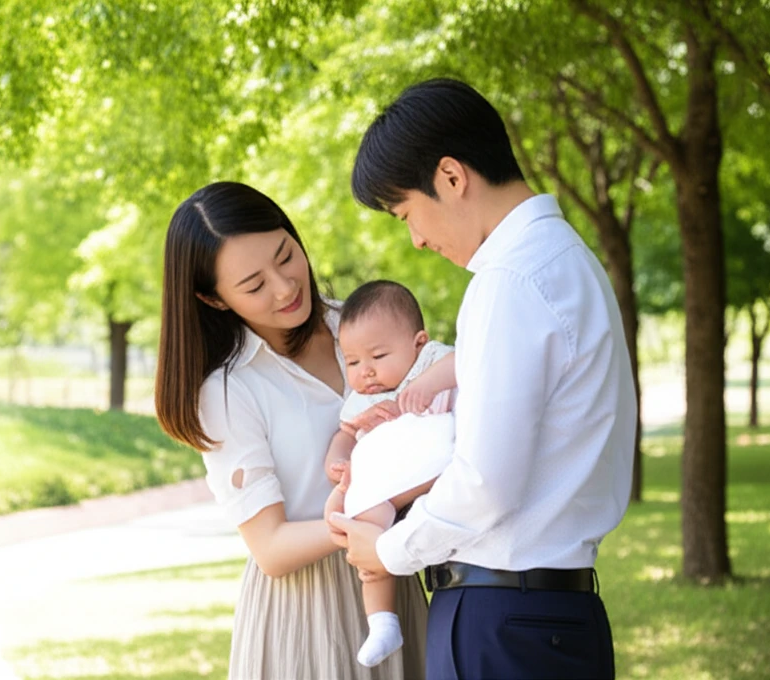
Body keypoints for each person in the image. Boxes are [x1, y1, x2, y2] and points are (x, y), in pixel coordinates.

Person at [327, 78, 637, 680]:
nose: (416, 239)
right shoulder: (568, 260)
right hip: (550, 613)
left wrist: (385, 551)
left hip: (501, 617)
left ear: (450, 176)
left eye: (407, 213)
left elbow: (486, 481)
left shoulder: (510, 282)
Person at [154, 181, 428, 680]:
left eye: (286, 256)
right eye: (254, 286)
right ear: (213, 300)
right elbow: (271, 548)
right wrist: (362, 524)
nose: (284, 288)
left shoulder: (360, 324)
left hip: (393, 581)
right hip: (307, 613)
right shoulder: (229, 389)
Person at [321, 279, 457, 668]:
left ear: (418, 342)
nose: (365, 372)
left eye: (378, 355)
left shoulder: (431, 361)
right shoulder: (361, 400)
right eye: (352, 362)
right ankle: (382, 621)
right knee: (364, 526)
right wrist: (340, 461)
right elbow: (345, 434)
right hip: (388, 489)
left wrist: (428, 384)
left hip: (437, 475)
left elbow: (467, 362)